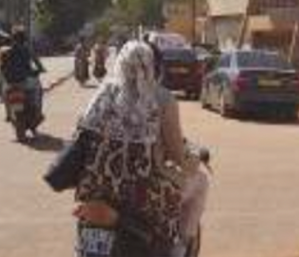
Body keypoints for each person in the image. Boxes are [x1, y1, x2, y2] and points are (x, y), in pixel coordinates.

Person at [73, 40, 209, 257]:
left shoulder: (102, 93)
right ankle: (180, 247)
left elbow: (80, 135)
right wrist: (191, 161)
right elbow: (176, 153)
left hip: (95, 188)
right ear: (153, 66)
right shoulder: (160, 97)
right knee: (200, 181)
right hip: (139, 191)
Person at [0, 27, 45, 126]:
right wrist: (40, 69)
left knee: (5, 93)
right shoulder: (26, 50)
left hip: (9, 81)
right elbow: (36, 62)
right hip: (24, 81)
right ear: (24, 39)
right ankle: (37, 113)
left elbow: (2, 68)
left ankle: (8, 115)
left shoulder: (5, 51)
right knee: (38, 91)